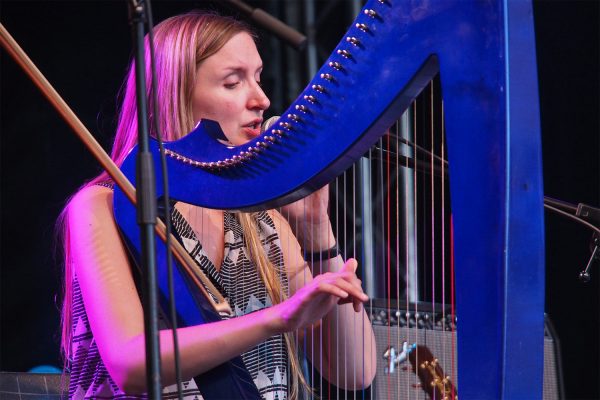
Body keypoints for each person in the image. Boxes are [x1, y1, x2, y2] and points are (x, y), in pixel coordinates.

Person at [58, 11, 376, 399]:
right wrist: (278, 318)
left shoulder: (263, 224)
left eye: (258, 77)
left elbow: (355, 371)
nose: (262, 99)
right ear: (175, 93)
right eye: (233, 82)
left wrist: (316, 230)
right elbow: (132, 364)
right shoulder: (103, 206)